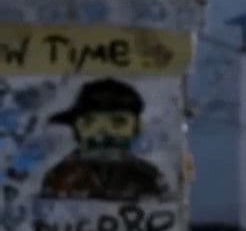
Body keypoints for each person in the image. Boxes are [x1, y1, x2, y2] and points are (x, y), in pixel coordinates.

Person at [40, 78, 171, 201]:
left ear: (137, 126)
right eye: (90, 122)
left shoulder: (148, 176)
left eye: (118, 122)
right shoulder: (60, 175)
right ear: (76, 128)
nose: (103, 131)